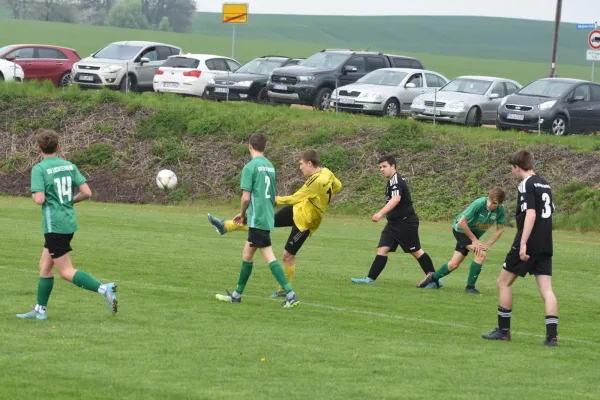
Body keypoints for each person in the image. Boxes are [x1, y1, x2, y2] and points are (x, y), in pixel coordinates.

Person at [208, 150, 342, 297]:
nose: (300, 168)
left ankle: (284, 290)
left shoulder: (315, 181)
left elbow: (295, 198)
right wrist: (321, 199)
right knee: (265, 221)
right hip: (298, 210)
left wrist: (277, 199)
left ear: (310, 163)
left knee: (287, 255)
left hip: (306, 221)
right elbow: (338, 185)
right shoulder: (327, 172)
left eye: (301, 164)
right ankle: (225, 226)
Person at [16, 129, 117, 321]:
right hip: (68, 221)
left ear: (38, 148)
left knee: (65, 271)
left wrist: (35, 193)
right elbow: (87, 192)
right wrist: (70, 201)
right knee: (45, 266)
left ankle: (105, 289)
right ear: (59, 147)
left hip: (54, 225)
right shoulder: (69, 166)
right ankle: (40, 310)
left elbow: (39, 199)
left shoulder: (40, 169)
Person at [482, 150, 558, 346]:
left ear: (517, 167)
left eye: (512, 169)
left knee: (503, 283)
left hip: (529, 239)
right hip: (545, 241)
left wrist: (523, 243)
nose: (512, 172)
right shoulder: (545, 183)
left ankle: (503, 331)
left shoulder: (526, 184)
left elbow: (531, 215)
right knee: (547, 290)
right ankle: (552, 337)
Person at [214, 133, 299, 308]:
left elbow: (245, 198)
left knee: (269, 257)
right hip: (266, 216)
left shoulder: (250, 167)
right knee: (247, 255)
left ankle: (291, 295)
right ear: (264, 147)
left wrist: (242, 214)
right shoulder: (270, 166)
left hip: (257, 218)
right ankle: (236, 295)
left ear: (250, 146)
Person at [351, 155, 439, 288]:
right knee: (382, 249)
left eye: (384, 166)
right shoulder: (391, 180)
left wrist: (380, 213)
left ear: (393, 166)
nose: (381, 169)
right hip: (393, 224)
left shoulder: (396, 181)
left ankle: (434, 279)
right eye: (380, 167)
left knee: (416, 251)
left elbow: (396, 199)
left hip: (405, 223)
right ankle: (370, 279)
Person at [416, 188, 507, 295]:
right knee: (481, 253)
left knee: (453, 264)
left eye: (494, 203)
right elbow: (461, 223)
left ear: (500, 204)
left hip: (472, 234)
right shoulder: (479, 203)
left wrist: (486, 245)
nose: (490, 204)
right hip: (460, 230)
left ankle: (431, 278)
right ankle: (470, 287)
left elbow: (500, 230)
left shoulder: (500, 210)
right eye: (489, 200)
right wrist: (474, 240)